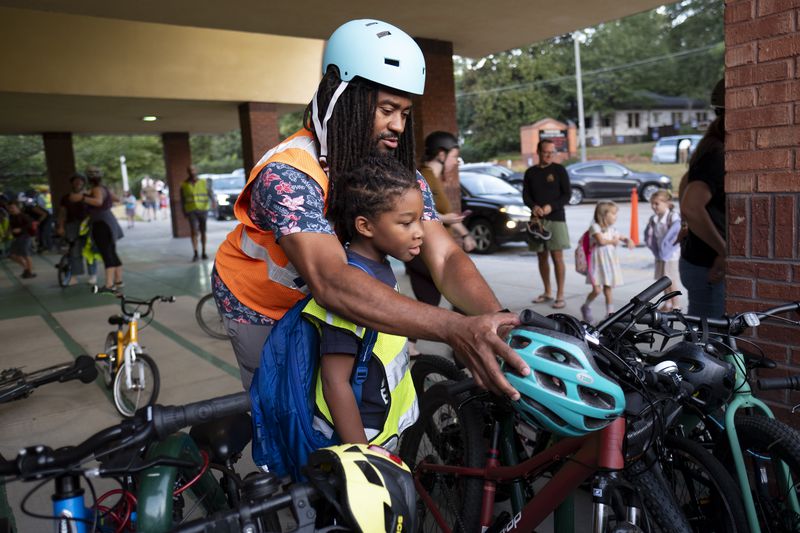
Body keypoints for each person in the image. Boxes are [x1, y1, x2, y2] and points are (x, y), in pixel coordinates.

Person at [212, 18, 527, 397]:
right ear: (343, 100)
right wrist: (451, 326)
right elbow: (331, 281)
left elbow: (443, 257)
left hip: (334, 297)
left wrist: (496, 322)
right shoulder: (288, 174)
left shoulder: (394, 172)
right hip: (262, 309)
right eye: (387, 109)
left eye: (405, 113)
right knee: (289, 412)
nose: (398, 125)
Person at [310, 156, 420, 449]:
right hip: (364, 433)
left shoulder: (381, 265)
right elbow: (335, 383)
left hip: (384, 422)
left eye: (419, 220)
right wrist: (362, 457)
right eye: (407, 223)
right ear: (365, 226)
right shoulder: (352, 284)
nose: (419, 232)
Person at [404, 131, 475, 355]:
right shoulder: (422, 178)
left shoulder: (432, 178)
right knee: (461, 294)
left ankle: (409, 345)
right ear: (441, 154)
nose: (455, 162)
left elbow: (443, 213)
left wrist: (464, 234)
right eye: (454, 156)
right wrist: (447, 221)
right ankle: (465, 345)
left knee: (428, 299)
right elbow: (421, 212)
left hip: (427, 247)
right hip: (423, 248)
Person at [679, 79, 726, 318]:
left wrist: (685, 225)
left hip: (697, 261)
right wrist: (724, 250)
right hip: (709, 266)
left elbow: (685, 182)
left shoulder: (708, 147)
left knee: (703, 339)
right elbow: (691, 205)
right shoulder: (718, 153)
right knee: (716, 345)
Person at [522, 139, 571, 309]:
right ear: (538, 152)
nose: (549, 155)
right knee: (541, 256)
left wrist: (552, 206)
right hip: (536, 220)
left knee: (557, 257)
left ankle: (560, 295)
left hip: (556, 219)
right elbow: (525, 196)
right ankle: (548, 291)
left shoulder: (559, 170)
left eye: (552, 152)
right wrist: (533, 206)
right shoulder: (530, 172)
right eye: (546, 152)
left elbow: (567, 195)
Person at [580, 201, 634, 323]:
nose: (616, 217)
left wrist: (627, 240)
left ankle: (610, 315)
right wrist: (613, 241)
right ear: (604, 215)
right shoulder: (595, 227)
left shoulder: (612, 229)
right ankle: (586, 306)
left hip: (608, 264)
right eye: (614, 214)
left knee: (608, 288)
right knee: (597, 290)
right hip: (596, 264)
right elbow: (601, 241)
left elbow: (621, 236)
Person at [82, 167, 124, 294]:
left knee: (106, 253)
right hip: (109, 222)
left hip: (101, 223)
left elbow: (98, 201)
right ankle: (118, 280)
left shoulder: (96, 189)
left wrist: (83, 198)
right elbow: (117, 199)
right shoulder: (104, 188)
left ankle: (109, 284)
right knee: (111, 251)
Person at [643, 189, 681, 311]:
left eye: (657, 204)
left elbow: (675, 233)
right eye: (652, 204)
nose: (654, 207)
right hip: (660, 254)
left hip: (671, 254)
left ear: (668, 203)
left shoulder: (672, 217)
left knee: (671, 279)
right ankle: (668, 303)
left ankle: (676, 305)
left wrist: (668, 247)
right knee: (663, 280)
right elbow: (650, 235)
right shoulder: (654, 219)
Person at [56, 173, 97, 285]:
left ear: (84, 183)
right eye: (76, 181)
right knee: (74, 250)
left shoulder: (89, 195)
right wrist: (60, 226)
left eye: (80, 181)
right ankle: (74, 276)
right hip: (71, 225)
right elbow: (62, 213)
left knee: (89, 250)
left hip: (87, 225)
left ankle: (93, 275)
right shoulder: (66, 198)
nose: (78, 183)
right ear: (72, 183)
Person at [180, 166, 213, 261]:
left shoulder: (203, 182)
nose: (192, 172)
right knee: (194, 231)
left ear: (196, 171)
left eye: (193, 170)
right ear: (188, 172)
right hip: (191, 210)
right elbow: (182, 200)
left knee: (203, 231)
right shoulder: (184, 185)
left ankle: (204, 252)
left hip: (203, 209)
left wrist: (213, 203)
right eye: (190, 170)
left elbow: (210, 193)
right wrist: (183, 211)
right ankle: (195, 253)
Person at [6, 200, 36, 278]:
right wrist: (8, 231)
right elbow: (10, 225)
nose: (11, 210)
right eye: (9, 208)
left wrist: (21, 229)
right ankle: (26, 267)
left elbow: (30, 224)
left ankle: (29, 272)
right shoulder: (11, 216)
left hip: (25, 237)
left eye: (12, 208)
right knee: (12, 255)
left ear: (18, 208)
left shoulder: (23, 216)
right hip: (17, 238)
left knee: (26, 254)